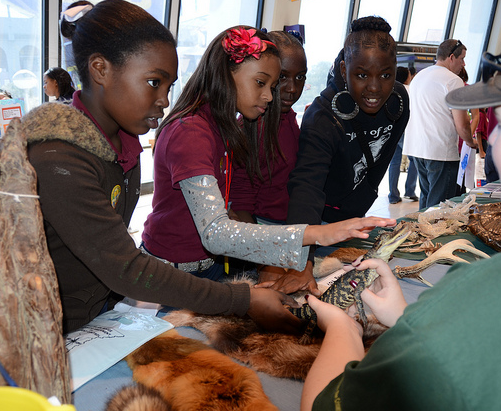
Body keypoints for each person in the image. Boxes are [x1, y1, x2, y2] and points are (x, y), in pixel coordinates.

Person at [301, 14, 501, 410]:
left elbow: (320, 405)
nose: (492, 141)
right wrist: (410, 318)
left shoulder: (494, 290)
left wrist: (343, 328)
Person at [21, 0, 348, 335]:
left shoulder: (123, 144)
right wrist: (312, 236)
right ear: (101, 69)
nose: (164, 100)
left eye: (168, 86)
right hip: (52, 329)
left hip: (101, 309)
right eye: (153, 83)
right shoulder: (60, 161)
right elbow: (128, 267)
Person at [140, 26, 395, 289]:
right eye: (261, 83)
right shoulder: (191, 132)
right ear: (225, 74)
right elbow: (215, 233)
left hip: (209, 267)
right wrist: (317, 233)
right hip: (171, 276)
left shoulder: (219, 127)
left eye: (272, 86)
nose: (269, 95)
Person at [270, 16, 409, 296]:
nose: (374, 87)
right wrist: (301, 264)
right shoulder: (322, 117)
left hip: (353, 219)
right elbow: (307, 188)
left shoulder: (399, 103)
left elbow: (380, 161)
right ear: (344, 69)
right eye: (361, 75)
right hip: (312, 222)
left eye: (385, 75)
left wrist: (364, 196)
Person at [227, 30, 308, 286]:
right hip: (261, 236)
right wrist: (266, 261)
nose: (292, 88)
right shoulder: (252, 126)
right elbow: (240, 207)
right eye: (282, 78)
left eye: (300, 77)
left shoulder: (289, 119)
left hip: (285, 231)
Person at [402, 39, 476, 210]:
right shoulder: (453, 80)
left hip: (418, 149)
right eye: (462, 58)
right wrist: (470, 142)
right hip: (440, 151)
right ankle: (434, 237)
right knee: (440, 208)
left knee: (426, 201)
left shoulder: (419, 77)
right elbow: (462, 124)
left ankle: (422, 234)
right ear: (451, 57)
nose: (463, 64)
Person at [388, 66, 418, 203]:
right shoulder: (411, 90)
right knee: (414, 160)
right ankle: (410, 191)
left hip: (394, 129)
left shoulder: (391, 90)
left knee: (394, 162)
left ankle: (393, 195)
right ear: (407, 77)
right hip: (409, 130)